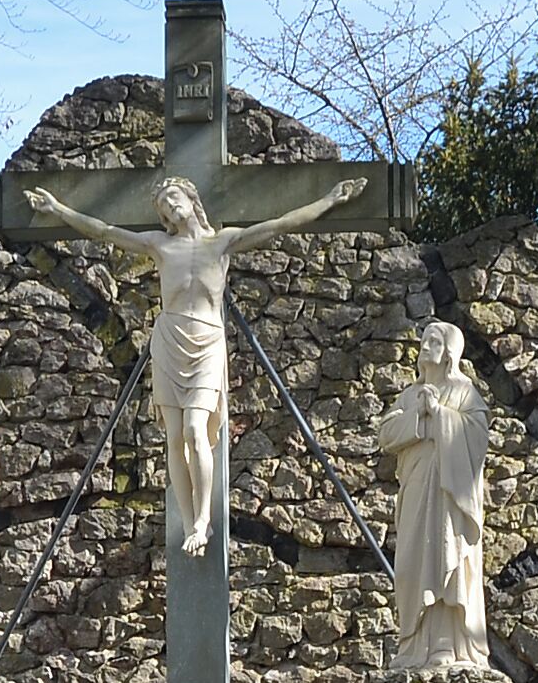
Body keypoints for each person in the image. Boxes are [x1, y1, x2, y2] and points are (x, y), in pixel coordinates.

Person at [24, 170, 365, 559]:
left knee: (193, 428)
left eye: (173, 198)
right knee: (173, 437)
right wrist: (58, 209)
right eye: (163, 205)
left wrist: (330, 201)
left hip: (205, 341)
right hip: (169, 341)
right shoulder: (158, 245)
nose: (170, 206)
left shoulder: (222, 242)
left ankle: (204, 518)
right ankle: (189, 523)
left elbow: (280, 225)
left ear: (191, 199)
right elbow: (103, 231)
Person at [375, 319, 491, 674]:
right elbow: (386, 436)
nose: (425, 347)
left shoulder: (463, 392)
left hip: (449, 495)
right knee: (413, 559)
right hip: (416, 487)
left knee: (445, 556)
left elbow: (478, 436)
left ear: (449, 355)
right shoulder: (410, 395)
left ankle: (445, 642)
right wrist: (419, 415)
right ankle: (412, 643)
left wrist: (440, 414)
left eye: (434, 342)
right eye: (424, 341)